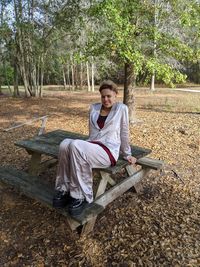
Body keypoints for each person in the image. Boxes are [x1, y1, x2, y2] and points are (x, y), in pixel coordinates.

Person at [53, 80, 136, 216]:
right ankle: (64, 188)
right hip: (93, 146)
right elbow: (92, 134)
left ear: (116, 95)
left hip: (108, 151)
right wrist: (87, 145)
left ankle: (81, 196)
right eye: (103, 96)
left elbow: (124, 133)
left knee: (76, 145)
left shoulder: (121, 109)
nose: (106, 99)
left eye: (109, 96)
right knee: (65, 144)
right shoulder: (94, 108)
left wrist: (127, 154)